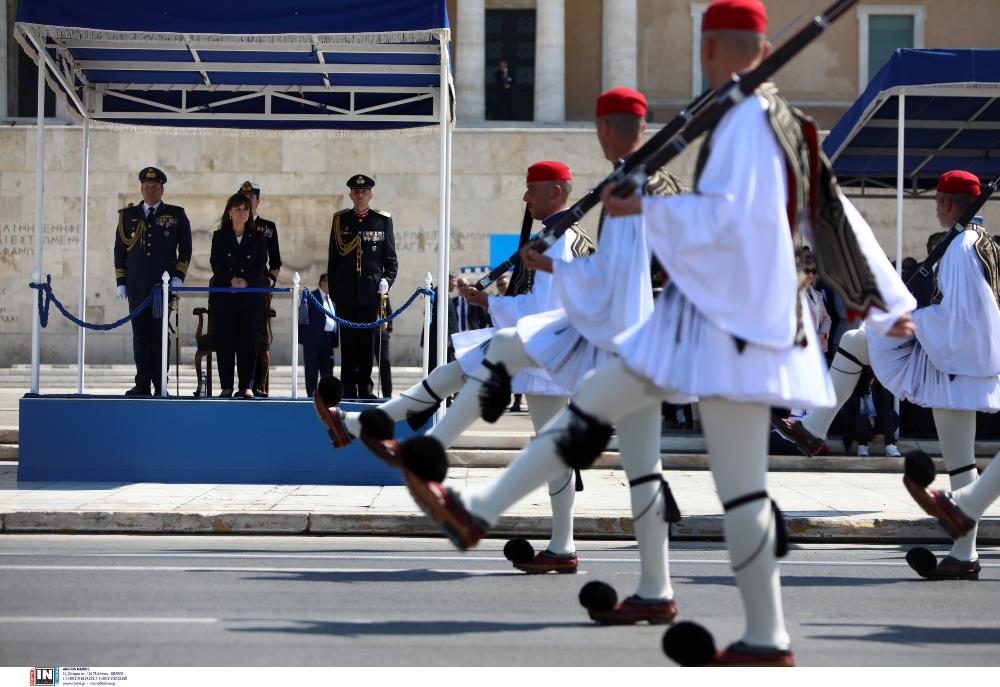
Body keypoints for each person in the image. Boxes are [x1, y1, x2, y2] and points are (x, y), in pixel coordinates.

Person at [394, 0, 915, 666]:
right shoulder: (786, 123)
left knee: (591, 405)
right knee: (739, 485)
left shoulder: (731, 131)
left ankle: (480, 509)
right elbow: (832, 212)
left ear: (709, 50)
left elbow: (712, 225)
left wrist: (626, 219)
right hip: (755, 323)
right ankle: (763, 633)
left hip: (705, 319)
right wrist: (886, 298)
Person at [314, 160, 595, 572]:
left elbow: (543, 307)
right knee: (468, 378)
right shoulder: (563, 234)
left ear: (556, 191)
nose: (525, 197)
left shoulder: (556, 239)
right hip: (547, 346)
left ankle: (366, 429)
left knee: (471, 380)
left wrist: (491, 303)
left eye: (532, 189)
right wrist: (489, 302)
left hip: (541, 345)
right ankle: (562, 546)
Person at [781, 170, 999, 581]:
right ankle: (814, 427)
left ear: (949, 204)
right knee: (860, 340)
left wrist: (912, 319)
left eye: (937, 201)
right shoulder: (975, 243)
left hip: (956, 363)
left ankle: (964, 552)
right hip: (957, 359)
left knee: (960, 463)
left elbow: (965, 320)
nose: (935, 207)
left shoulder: (962, 248)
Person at [114, 166, 192, 397]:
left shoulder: (176, 214)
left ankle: (161, 384)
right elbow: (120, 250)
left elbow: (186, 249)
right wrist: (121, 281)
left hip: (161, 288)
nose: (150, 191)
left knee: (159, 335)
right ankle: (142, 383)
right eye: (146, 187)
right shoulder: (127, 216)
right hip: (137, 287)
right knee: (140, 335)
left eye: (155, 187)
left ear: (162, 189)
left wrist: (178, 276)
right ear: (141, 188)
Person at [327, 174, 398, 399]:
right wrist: (334, 291)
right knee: (348, 343)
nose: (360, 195)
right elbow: (334, 259)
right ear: (350, 195)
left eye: (364, 192)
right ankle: (348, 387)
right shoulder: (340, 220)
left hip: (370, 292)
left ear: (370, 195)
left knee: (367, 343)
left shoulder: (382, 220)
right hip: (346, 292)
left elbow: (391, 259)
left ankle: (365, 388)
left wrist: (387, 280)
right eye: (356, 192)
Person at [209, 193, 269, 399]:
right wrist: (231, 280)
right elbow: (216, 263)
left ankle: (246, 386)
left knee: (247, 342)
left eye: (245, 209)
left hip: (250, 298)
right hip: (225, 297)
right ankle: (226, 386)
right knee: (224, 341)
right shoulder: (220, 236)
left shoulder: (258, 237)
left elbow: (261, 264)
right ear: (229, 212)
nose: (241, 212)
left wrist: (246, 282)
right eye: (237, 209)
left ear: (250, 212)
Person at [238, 181, 282, 397]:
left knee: (259, 337)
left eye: (252, 198)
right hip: (237, 288)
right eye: (244, 198)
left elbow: (275, 262)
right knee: (240, 333)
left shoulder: (268, 227)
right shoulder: (233, 224)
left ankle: (258, 384)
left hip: (259, 289)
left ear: (257, 200)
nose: (248, 202)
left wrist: (268, 283)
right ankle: (243, 383)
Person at [300, 273, 339, 397]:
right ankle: (311, 395)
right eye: (329, 282)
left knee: (327, 370)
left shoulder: (332, 299)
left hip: (328, 340)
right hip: (313, 340)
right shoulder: (312, 296)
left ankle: (326, 396)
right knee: (312, 369)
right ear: (322, 283)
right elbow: (302, 318)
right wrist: (305, 339)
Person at [374, 296, 393, 397]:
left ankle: (387, 393)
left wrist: (387, 329)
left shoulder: (383, 292)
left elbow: (388, 310)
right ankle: (366, 390)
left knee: (385, 362)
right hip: (367, 330)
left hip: (381, 331)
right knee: (365, 363)